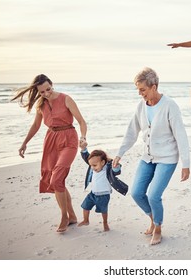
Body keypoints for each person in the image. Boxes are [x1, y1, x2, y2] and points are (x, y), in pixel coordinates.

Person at [112, 67, 190, 245]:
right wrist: (120, 153)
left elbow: (181, 135)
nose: (140, 94)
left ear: (154, 87)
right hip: (147, 157)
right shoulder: (141, 106)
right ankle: (153, 218)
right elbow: (132, 131)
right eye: (138, 90)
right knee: (137, 193)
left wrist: (186, 163)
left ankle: (158, 227)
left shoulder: (170, 106)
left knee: (154, 195)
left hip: (167, 158)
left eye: (143, 90)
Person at [11, 74, 87, 233]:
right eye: (42, 92)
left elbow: (81, 121)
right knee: (57, 181)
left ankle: (64, 217)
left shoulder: (66, 99)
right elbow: (36, 126)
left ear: (52, 85)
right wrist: (24, 143)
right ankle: (72, 216)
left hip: (69, 139)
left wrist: (83, 137)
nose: (46, 93)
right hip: (51, 140)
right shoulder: (41, 105)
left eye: (48, 89)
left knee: (56, 178)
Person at [78, 143, 128, 232]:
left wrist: (116, 167)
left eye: (95, 165)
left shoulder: (107, 169)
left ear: (103, 162)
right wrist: (83, 149)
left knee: (103, 211)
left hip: (104, 195)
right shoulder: (93, 165)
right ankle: (86, 220)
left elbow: (116, 171)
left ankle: (105, 223)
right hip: (92, 193)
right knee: (85, 207)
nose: (92, 168)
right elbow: (87, 157)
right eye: (91, 165)